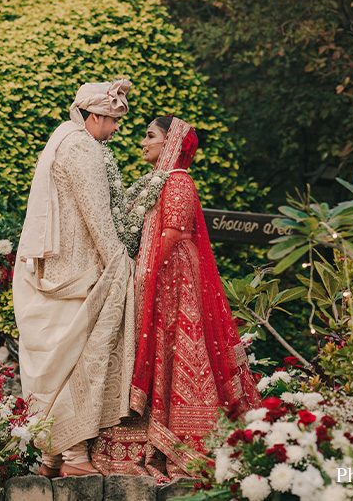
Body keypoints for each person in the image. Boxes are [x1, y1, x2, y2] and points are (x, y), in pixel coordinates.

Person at [90, 115, 260, 480]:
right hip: (162, 279)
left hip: (172, 282)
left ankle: (177, 442)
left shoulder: (178, 181)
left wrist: (145, 278)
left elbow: (171, 234)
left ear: (170, 143)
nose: (143, 142)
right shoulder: (160, 181)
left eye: (150, 136)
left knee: (174, 350)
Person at [13, 79, 138, 477]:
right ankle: (75, 458)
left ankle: (50, 459)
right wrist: (119, 260)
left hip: (55, 270)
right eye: (114, 120)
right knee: (80, 362)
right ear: (96, 115)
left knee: (58, 360)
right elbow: (96, 214)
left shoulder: (62, 138)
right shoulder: (84, 149)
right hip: (80, 272)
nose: (117, 128)